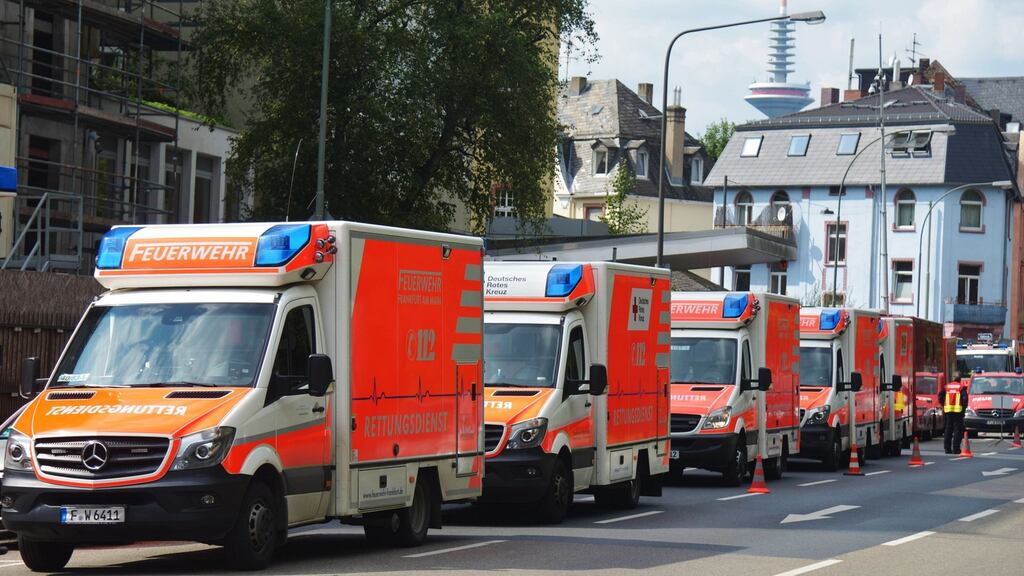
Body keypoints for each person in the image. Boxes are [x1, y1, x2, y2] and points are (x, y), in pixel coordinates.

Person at [941, 377, 969, 454]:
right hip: (958, 411)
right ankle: (956, 449)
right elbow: (965, 399)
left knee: (948, 429)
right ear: (959, 380)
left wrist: (944, 405)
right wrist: (963, 409)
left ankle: (947, 449)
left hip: (948, 411)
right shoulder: (961, 387)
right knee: (958, 430)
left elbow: (940, 396)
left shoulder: (946, 387)